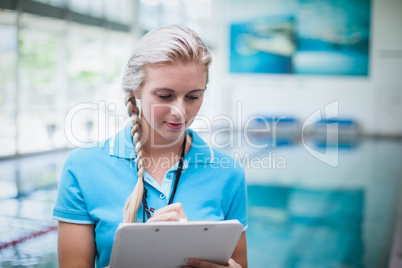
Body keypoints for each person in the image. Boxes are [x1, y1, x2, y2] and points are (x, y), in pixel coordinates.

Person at [53, 25, 248, 268]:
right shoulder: (82, 168)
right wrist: (143, 251)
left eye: (193, 96)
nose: (180, 111)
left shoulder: (228, 172)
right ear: (135, 88)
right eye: (165, 96)